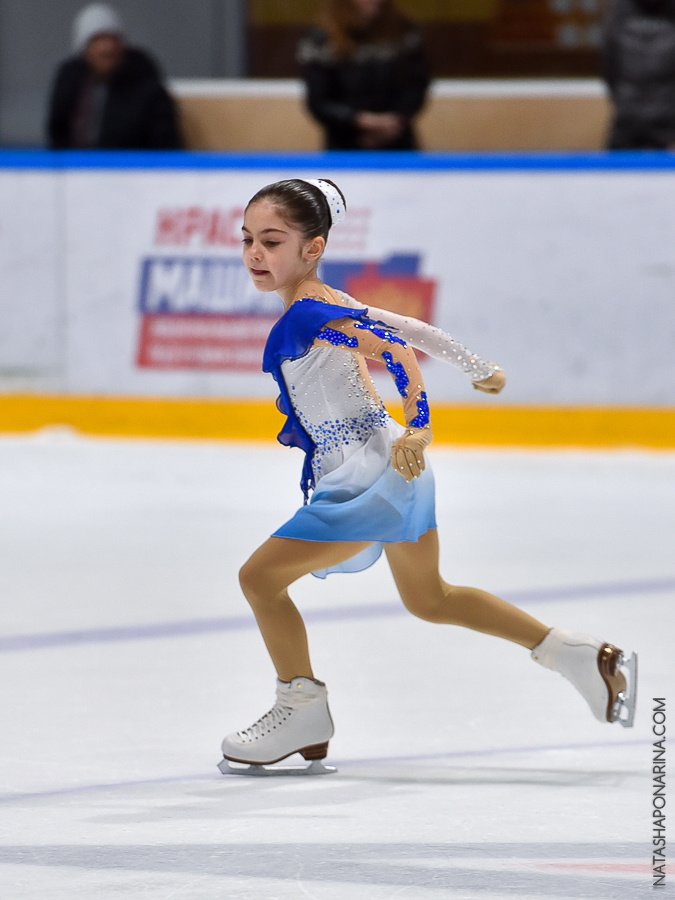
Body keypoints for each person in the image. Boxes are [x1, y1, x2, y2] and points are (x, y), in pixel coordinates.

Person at [219, 178, 637, 774]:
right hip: (394, 466)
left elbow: (396, 352)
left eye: (272, 241)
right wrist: (477, 366)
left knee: (258, 580)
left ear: (312, 247)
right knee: (431, 598)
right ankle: (576, 655)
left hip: (369, 478)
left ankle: (302, 704)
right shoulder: (326, 300)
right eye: (247, 240)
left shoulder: (308, 315)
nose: (255, 254)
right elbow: (412, 333)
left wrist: (420, 425)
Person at [297, 0, 430, 150]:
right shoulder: (320, 37)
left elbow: (417, 86)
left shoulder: (404, 30)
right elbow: (318, 101)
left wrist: (395, 122)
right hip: (344, 144)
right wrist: (360, 120)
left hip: (398, 140)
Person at [47, 3, 182, 150]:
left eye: (113, 39)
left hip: (131, 169)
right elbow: (57, 134)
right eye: (97, 40)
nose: (107, 48)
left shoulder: (145, 86)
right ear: (84, 48)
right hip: (77, 169)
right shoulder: (69, 80)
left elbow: (164, 144)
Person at [603, 0, 675, 150]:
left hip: (627, 114)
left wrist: (622, 97)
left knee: (617, 170)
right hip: (666, 118)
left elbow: (609, 65)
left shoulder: (620, 12)